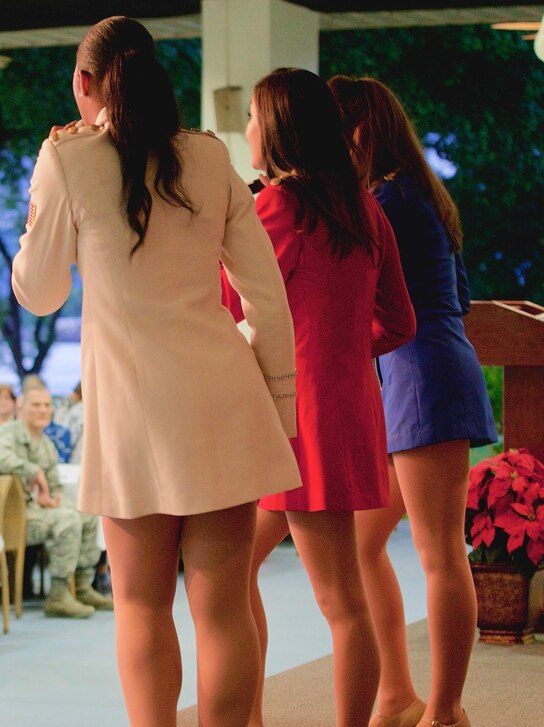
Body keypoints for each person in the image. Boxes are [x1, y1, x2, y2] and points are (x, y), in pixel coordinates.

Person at [10, 17, 304, 726]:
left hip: (133, 413)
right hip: (223, 402)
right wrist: (280, 412)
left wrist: (39, 205)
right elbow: (266, 299)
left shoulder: (68, 160)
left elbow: (40, 292)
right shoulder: (209, 157)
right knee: (224, 607)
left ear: (84, 84)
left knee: (142, 605)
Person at [235, 68, 417, 727]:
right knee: (236, 575)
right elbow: (399, 322)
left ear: (279, 127)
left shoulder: (278, 206)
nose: (246, 129)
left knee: (340, 601)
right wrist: (338, 348)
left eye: (253, 117)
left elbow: (235, 304)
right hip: (347, 410)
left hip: (297, 421)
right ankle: (246, 715)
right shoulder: (363, 206)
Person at [329, 76, 497, 727]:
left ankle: (447, 708)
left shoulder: (389, 198)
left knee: (439, 551)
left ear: (360, 133)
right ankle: (397, 692)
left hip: (421, 378)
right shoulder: (420, 194)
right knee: (366, 545)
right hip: (417, 375)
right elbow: (456, 295)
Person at [0, 388, 112, 618]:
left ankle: (83, 585)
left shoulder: (46, 443)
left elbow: (55, 486)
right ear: (22, 408)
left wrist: (55, 500)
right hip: (15, 514)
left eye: (47, 405)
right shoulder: (8, 434)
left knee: (88, 514)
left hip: (39, 509)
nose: (43, 410)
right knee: (68, 520)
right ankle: (59, 594)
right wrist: (32, 470)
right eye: (36, 405)